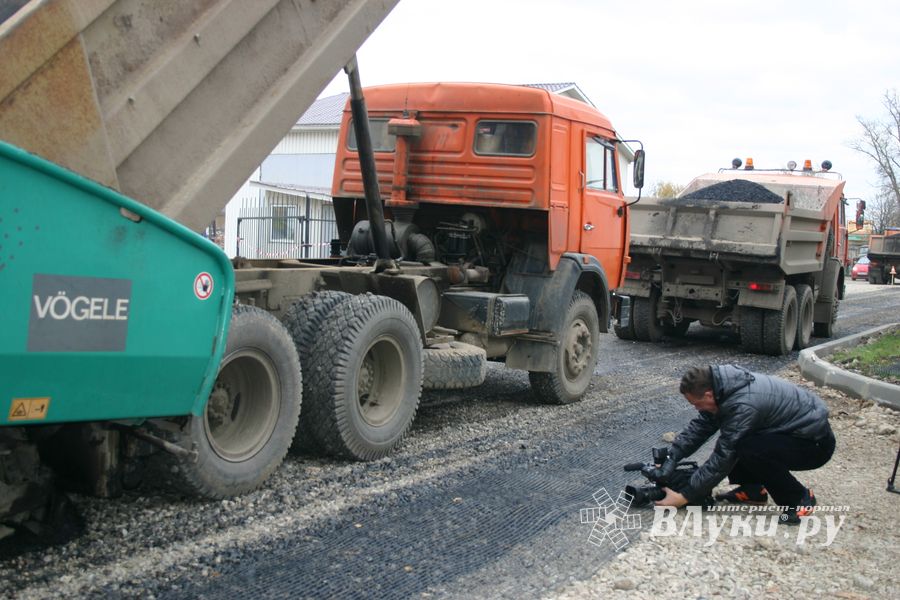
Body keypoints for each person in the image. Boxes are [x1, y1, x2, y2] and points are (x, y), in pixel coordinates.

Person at [655, 364, 836, 524]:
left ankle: (798, 499)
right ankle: (753, 490)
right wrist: (672, 457)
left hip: (814, 445)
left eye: (696, 404)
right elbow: (702, 426)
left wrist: (685, 496)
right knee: (741, 438)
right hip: (790, 432)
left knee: (745, 446)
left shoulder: (743, 404)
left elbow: (724, 456)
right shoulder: (723, 388)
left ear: (708, 394)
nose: (696, 408)